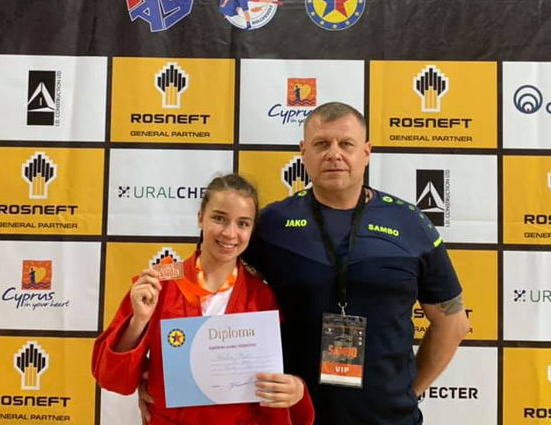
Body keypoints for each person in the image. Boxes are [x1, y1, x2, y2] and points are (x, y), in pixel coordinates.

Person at [242, 102, 470, 424]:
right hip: (298, 416)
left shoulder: (411, 225)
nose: (334, 154)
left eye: (346, 144)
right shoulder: (272, 225)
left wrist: (408, 392)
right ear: (303, 152)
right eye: (321, 144)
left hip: (390, 419)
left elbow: (453, 323)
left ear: (366, 152)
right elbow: (213, 287)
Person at [93, 174, 314, 425]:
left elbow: (275, 382)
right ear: (201, 218)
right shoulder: (160, 283)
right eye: (219, 218)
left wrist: (294, 389)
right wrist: (138, 322)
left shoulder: (260, 297)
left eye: (243, 223)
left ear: (252, 230)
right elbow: (112, 378)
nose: (230, 233)